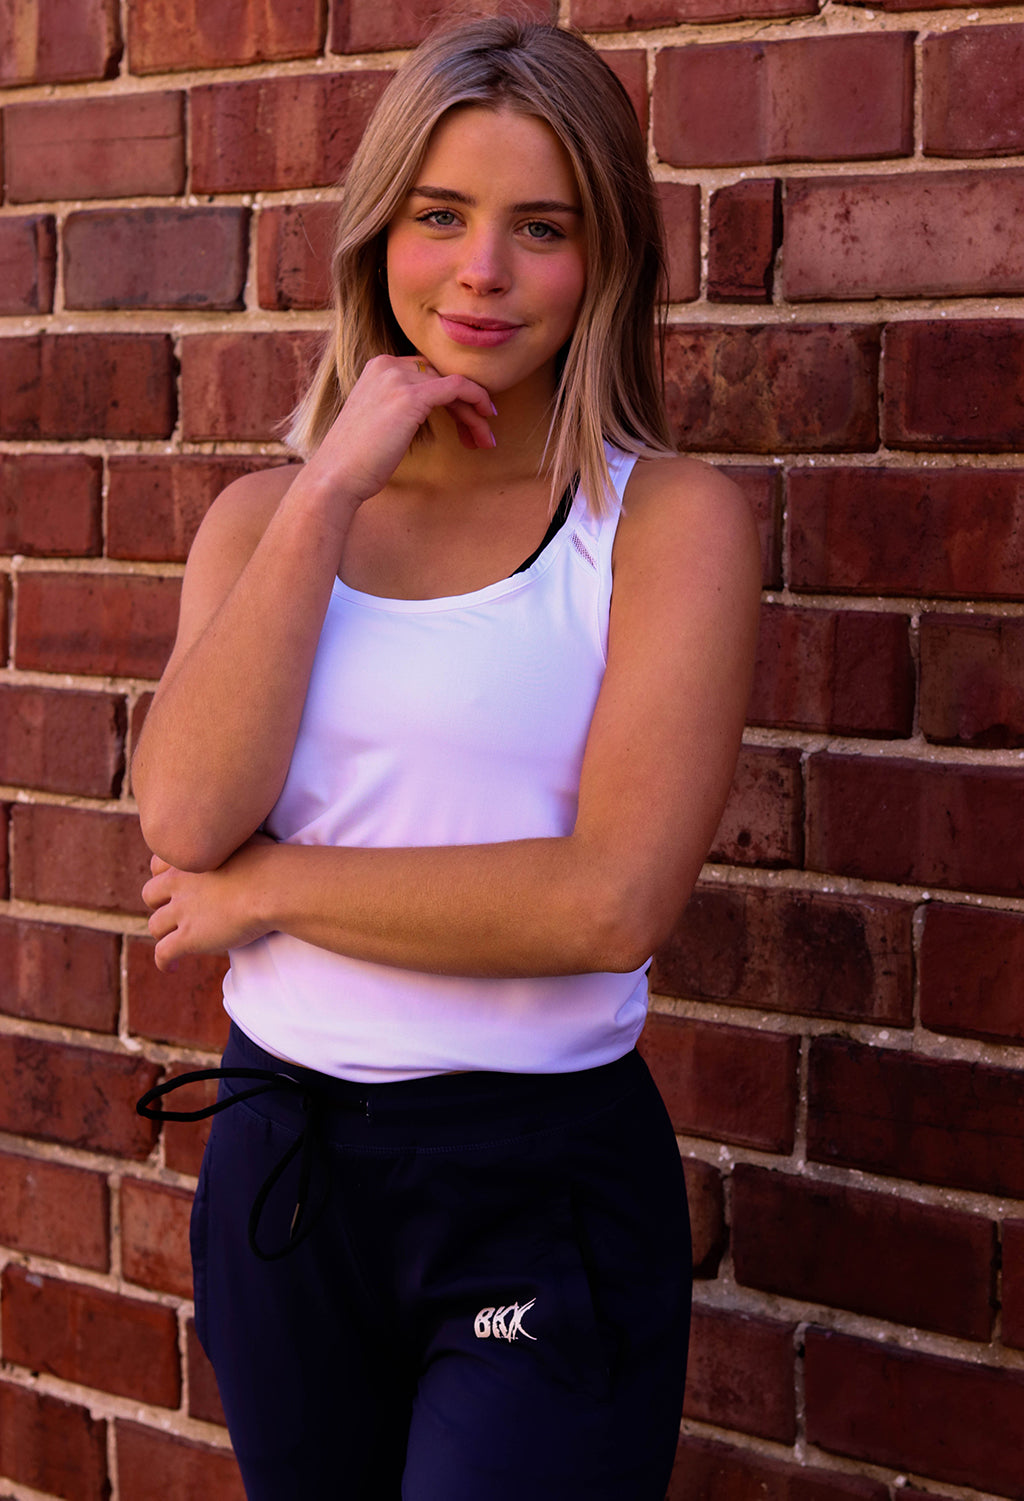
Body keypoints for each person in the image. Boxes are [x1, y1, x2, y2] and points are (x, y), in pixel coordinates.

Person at [133, 17, 761, 1500]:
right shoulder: (264, 520)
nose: (481, 270)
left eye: (540, 227)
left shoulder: (664, 525)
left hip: (534, 1183)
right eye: (440, 215)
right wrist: (330, 487)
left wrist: (270, 889)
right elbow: (185, 812)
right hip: (283, 1168)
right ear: (378, 236)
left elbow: (609, 901)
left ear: (605, 261)